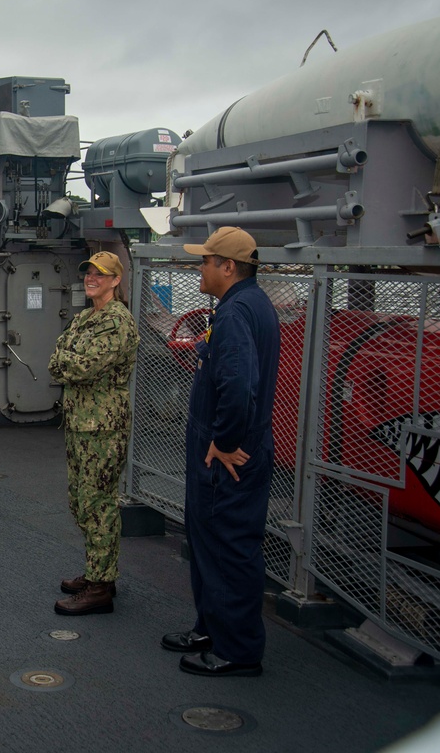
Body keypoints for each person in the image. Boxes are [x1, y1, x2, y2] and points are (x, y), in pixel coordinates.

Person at [161, 226, 280, 676]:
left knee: (229, 545)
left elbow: (239, 387)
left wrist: (224, 442)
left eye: (206, 261)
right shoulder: (247, 305)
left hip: (229, 454)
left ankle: (239, 650)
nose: (199, 267)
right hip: (227, 447)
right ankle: (212, 627)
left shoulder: (234, 314)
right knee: (208, 541)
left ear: (228, 267)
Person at [48, 251, 140, 615]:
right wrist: (65, 359)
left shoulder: (117, 321)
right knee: (80, 501)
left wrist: (66, 359)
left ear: (116, 281)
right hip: (80, 423)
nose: (92, 278)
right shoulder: (88, 317)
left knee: (98, 503)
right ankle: (98, 571)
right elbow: (58, 358)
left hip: (103, 426)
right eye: (89, 272)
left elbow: (81, 365)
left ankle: (100, 586)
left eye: (101, 274)